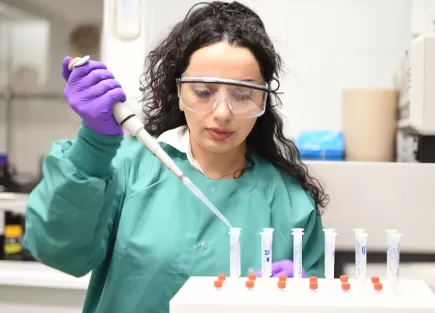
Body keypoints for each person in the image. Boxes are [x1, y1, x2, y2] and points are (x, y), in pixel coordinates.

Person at [24, 1, 329, 312]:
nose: (222, 114)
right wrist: (93, 145)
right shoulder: (125, 170)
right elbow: (58, 252)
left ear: (263, 99)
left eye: (242, 94)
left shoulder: (291, 206)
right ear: (178, 92)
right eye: (204, 91)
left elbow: (320, 299)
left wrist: (304, 298)